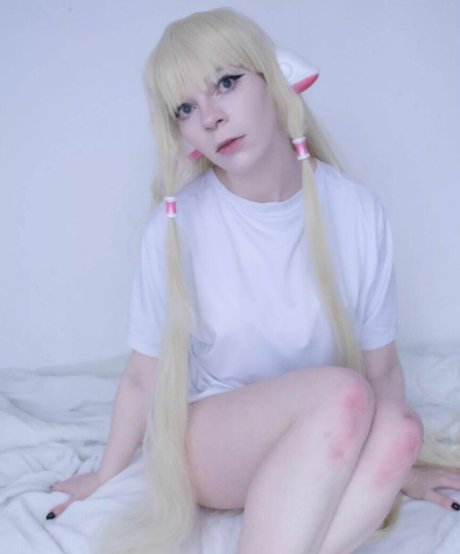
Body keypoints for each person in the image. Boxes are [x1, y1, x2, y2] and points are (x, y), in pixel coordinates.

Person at [48, 7, 460, 554]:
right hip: (213, 447)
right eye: (186, 108)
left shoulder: (356, 211)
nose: (210, 117)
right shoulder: (177, 225)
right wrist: (104, 475)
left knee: (402, 431)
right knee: (344, 393)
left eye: (226, 83)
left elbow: (382, 369)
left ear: (274, 79)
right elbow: (143, 377)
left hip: (329, 431)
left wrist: (397, 467)